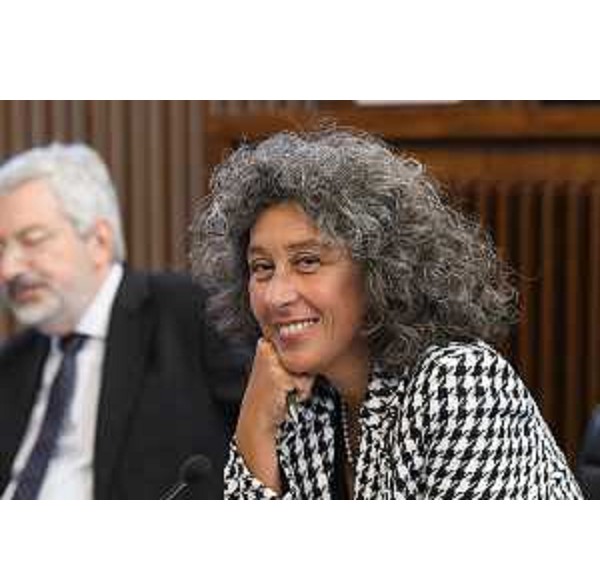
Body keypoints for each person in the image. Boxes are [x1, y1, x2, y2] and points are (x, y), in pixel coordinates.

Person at [190, 128, 582, 499]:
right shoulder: (299, 398)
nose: (276, 295)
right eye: (261, 267)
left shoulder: (459, 382)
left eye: (307, 261)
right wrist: (254, 428)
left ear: (379, 268)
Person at [0, 142, 245, 499]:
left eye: (31, 240)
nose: (8, 269)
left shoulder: (192, 315)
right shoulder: (12, 363)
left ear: (98, 241)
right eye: (1, 249)